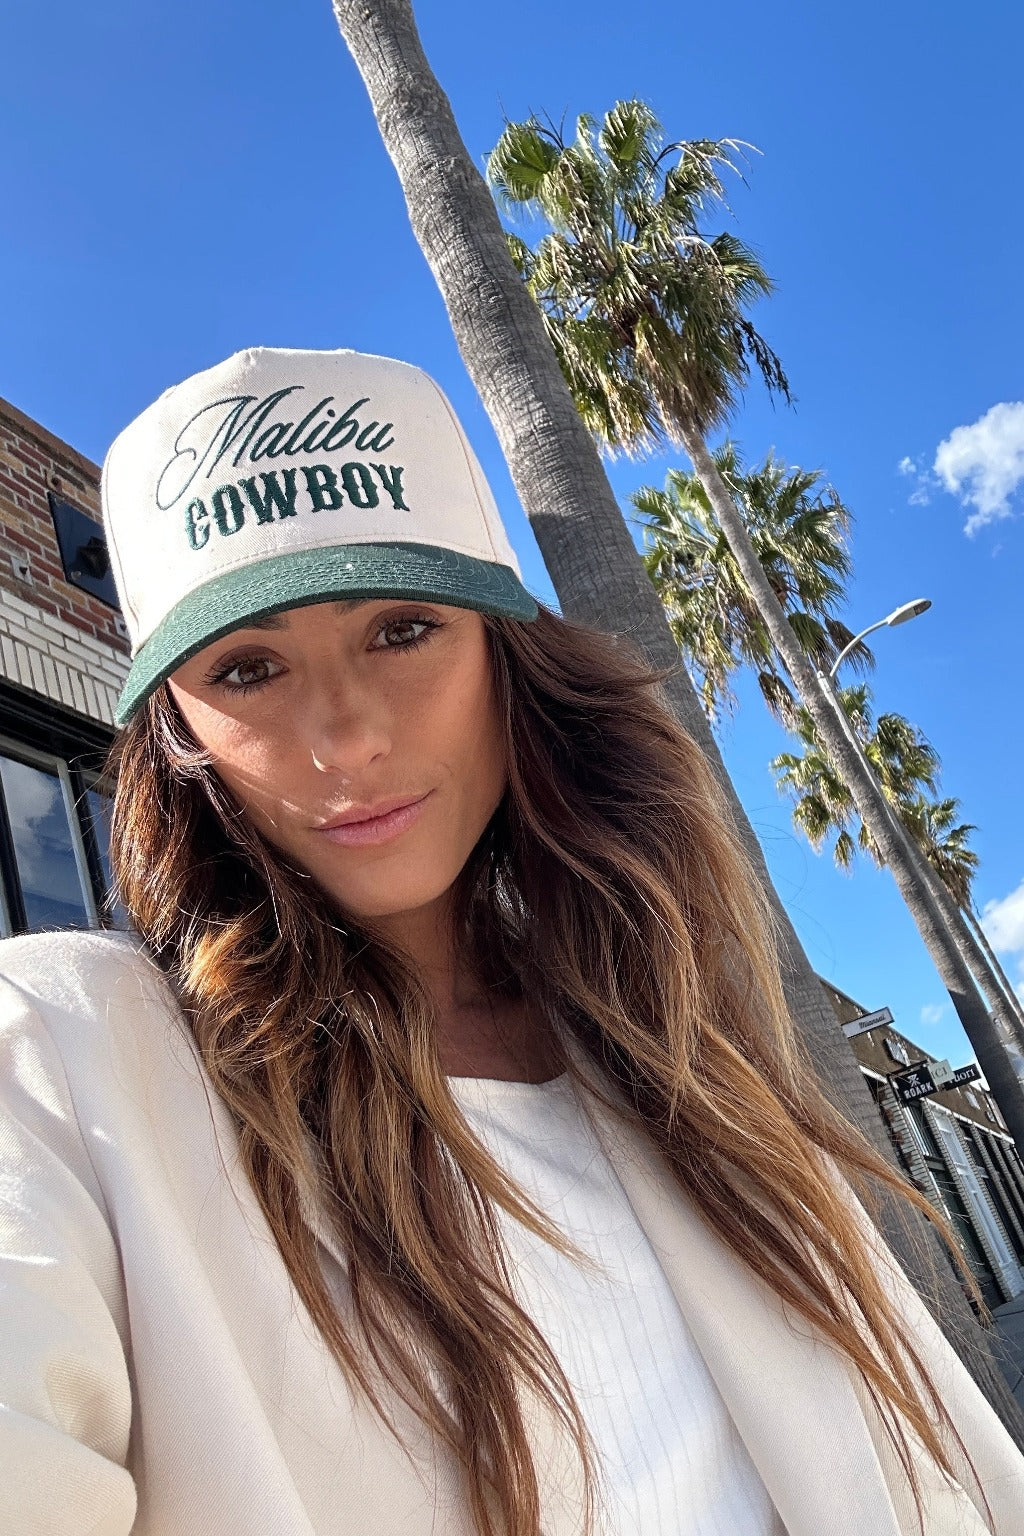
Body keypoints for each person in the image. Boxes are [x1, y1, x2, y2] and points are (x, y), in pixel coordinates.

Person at [0, 346, 1021, 1536]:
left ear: (504, 653)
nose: (346, 736)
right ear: (178, 729)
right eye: (247, 667)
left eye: (402, 627)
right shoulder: (66, 1062)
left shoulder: (673, 1053)